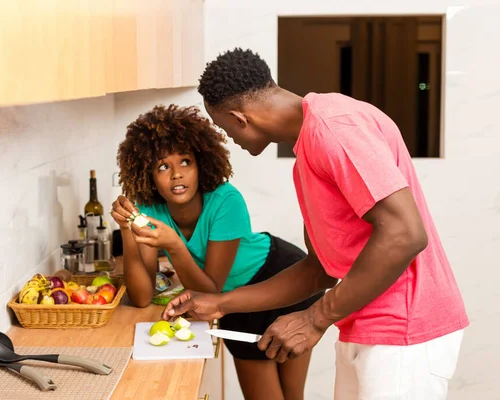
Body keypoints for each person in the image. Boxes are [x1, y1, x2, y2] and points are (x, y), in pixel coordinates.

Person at [162, 48, 469, 399]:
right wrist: (221, 303)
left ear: (240, 118)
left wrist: (314, 318)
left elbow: (406, 233)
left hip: (405, 332)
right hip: (365, 325)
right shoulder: (308, 152)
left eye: (224, 127)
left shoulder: (334, 128)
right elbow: (319, 271)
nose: (228, 138)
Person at [109, 104, 333, 400]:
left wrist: (173, 245)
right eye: (163, 166)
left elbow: (211, 290)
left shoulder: (225, 201)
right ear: (148, 174)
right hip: (235, 302)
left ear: (201, 163)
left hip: (282, 279)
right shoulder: (150, 210)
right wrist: (126, 228)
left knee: (292, 396)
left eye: (185, 162)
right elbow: (141, 297)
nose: (177, 174)